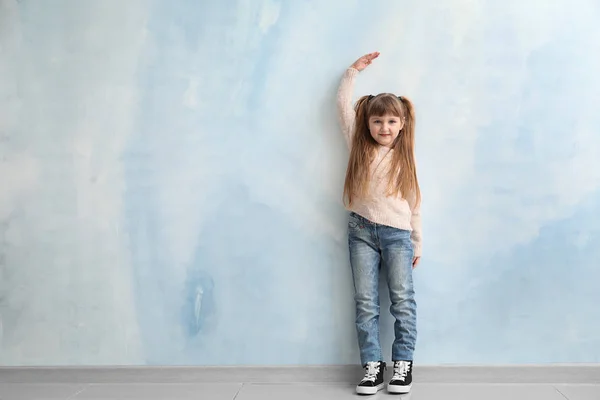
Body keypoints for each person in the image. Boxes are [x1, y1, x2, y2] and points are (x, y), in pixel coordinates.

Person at [336, 52, 422, 395]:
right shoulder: (360, 148)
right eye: (377, 122)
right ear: (367, 124)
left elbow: (415, 204)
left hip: (398, 235)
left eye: (390, 121)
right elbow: (344, 107)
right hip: (360, 232)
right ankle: (372, 367)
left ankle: (403, 366)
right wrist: (352, 72)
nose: (383, 128)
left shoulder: (405, 159)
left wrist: (417, 241)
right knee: (366, 302)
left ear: (401, 124)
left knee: (402, 300)